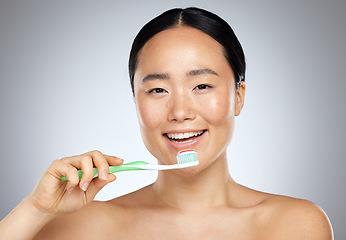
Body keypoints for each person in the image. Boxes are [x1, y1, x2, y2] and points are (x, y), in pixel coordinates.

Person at [0, 7, 333, 239]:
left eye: (202, 86)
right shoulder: (80, 226)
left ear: (239, 96)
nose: (180, 111)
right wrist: (35, 210)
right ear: (135, 101)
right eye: (158, 89)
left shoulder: (296, 225)